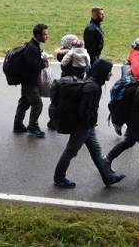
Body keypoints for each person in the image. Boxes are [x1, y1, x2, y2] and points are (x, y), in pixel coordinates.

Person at [53, 59, 126, 188]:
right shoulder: (92, 87)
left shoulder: (93, 83)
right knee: (70, 151)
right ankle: (59, 178)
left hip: (87, 126)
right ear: (103, 72)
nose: (111, 74)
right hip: (82, 126)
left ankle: (107, 178)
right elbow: (84, 109)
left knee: (96, 151)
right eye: (109, 71)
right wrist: (86, 126)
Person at [13, 23, 49, 137]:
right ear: (38, 35)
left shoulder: (34, 45)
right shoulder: (32, 48)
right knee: (37, 104)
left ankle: (18, 125)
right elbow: (32, 66)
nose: (47, 36)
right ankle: (32, 127)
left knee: (24, 102)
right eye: (44, 34)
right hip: (29, 82)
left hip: (28, 80)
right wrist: (44, 64)